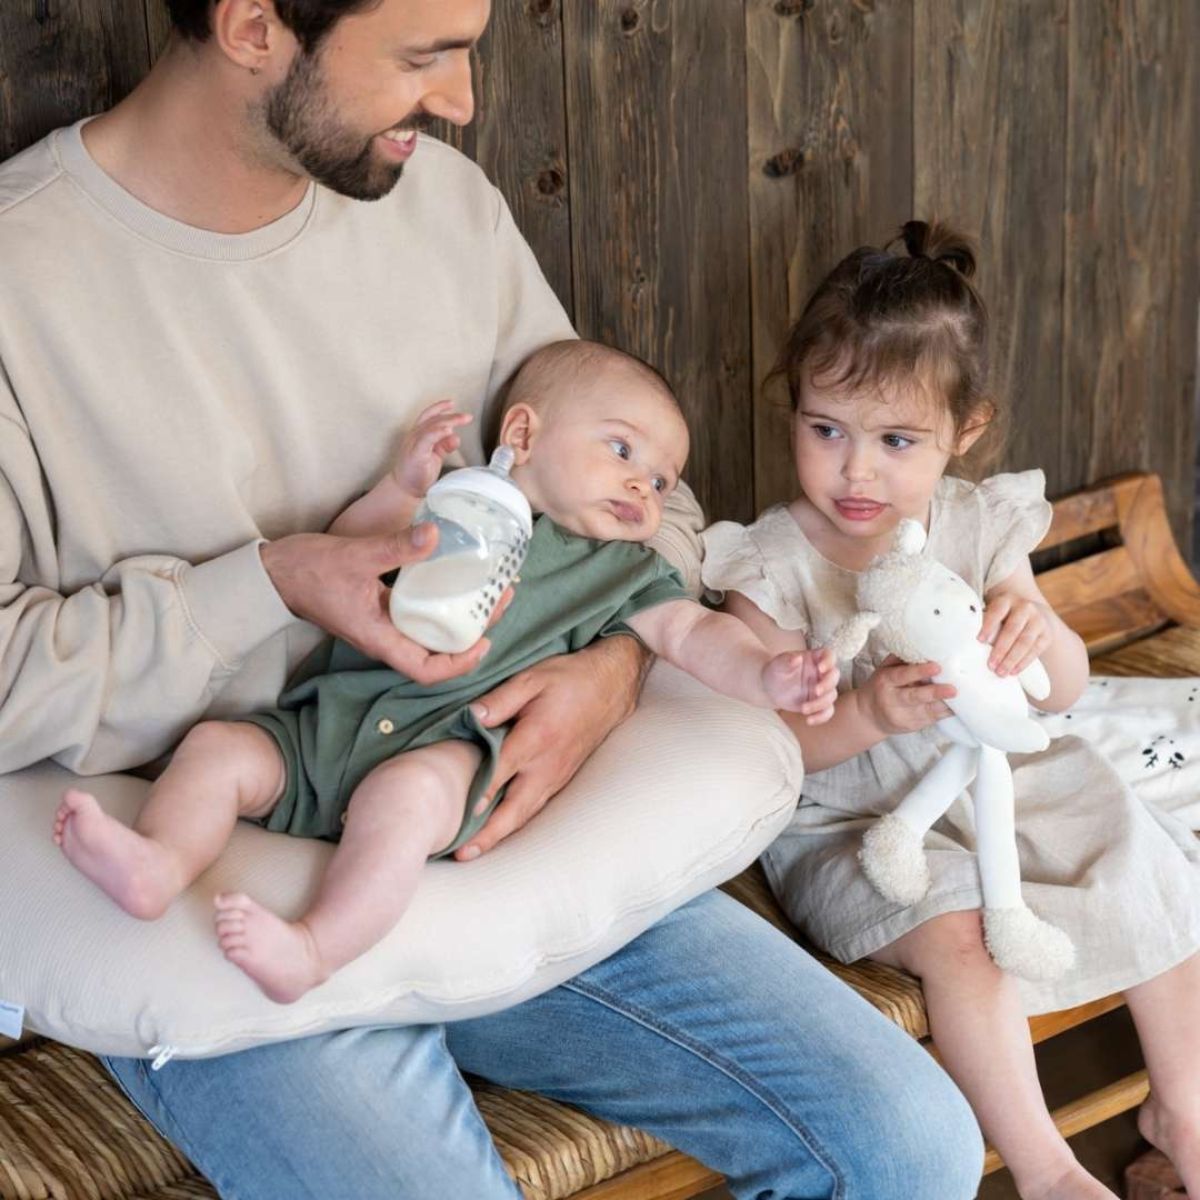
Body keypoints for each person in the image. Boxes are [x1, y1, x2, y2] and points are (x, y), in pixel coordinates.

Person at [0, 0, 984, 1193]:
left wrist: (607, 673)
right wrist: (272, 581)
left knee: (907, 1143)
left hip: (483, 819)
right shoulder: (23, 281)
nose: (464, 99)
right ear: (253, 24)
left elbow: (651, 512)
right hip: (215, 885)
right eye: (424, 56)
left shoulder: (443, 209)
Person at [54, 340, 839, 1004]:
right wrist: (401, 489)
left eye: (663, 480)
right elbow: (352, 552)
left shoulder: (622, 575)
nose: (645, 485)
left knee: (405, 800)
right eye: (623, 450)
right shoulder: (458, 502)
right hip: (322, 726)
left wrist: (770, 676)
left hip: (452, 752)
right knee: (218, 750)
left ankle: (314, 950)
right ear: (524, 434)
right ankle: (159, 863)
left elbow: (696, 633)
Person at [702, 218, 1200, 1200]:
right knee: (958, 931)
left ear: (963, 433)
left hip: (997, 777)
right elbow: (775, 754)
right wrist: (868, 715)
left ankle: (1180, 1099)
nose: (855, 471)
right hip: (855, 820)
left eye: (896, 441)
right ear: (791, 410)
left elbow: (1057, 691)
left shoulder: (975, 522)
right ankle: (1047, 1166)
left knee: (1144, 853)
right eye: (825, 431)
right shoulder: (770, 563)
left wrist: (1039, 634)